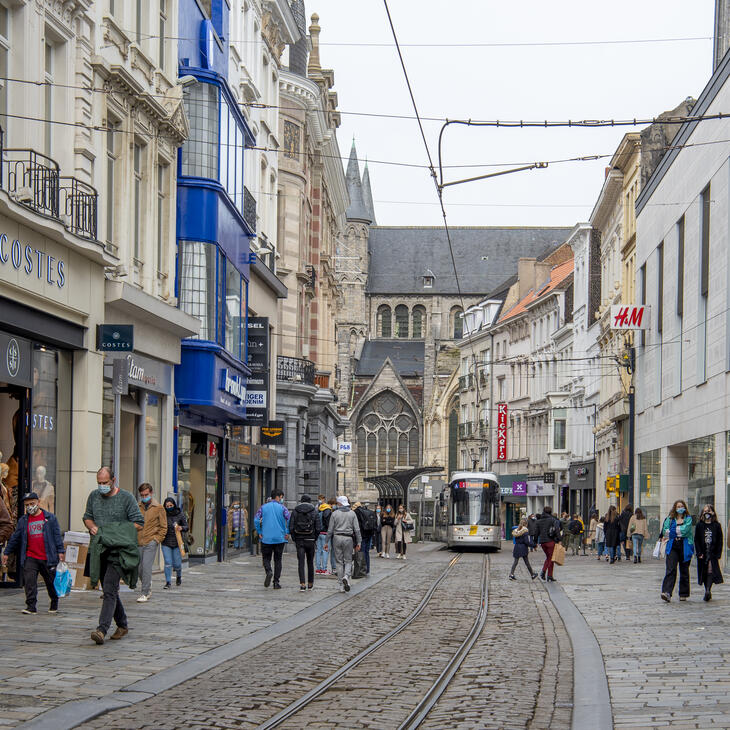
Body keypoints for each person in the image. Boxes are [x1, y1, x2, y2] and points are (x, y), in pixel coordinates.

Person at [84, 467, 144, 645]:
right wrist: (92, 526)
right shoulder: (94, 496)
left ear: (113, 480)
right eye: (99, 483)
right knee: (109, 590)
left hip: (119, 551)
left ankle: (101, 629)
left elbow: (138, 522)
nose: (102, 486)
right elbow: (87, 517)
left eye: (105, 483)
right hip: (99, 550)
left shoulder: (126, 498)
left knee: (109, 587)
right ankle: (123, 625)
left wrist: (116, 532)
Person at [2, 492, 65, 614]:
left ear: (38, 502)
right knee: (30, 582)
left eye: (32, 504)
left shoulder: (50, 518)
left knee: (50, 582)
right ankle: (31, 606)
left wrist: (60, 551)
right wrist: (7, 552)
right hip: (31, 556)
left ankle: (54, 602)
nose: (30, 507)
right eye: (27, 505)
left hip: (47, 556)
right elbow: (15, 537)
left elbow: (57, 535)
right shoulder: (23, 521)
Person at [136, 483, 167, 603]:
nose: (144, 497)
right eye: (142, 495)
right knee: (139, 568)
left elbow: (164, 527)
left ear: (151, 493)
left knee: (146, 567)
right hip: (139, 541)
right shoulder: (137, 506)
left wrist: (156, 540)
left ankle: (145, 592)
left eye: (146, 494)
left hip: (151, 541)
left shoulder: (158, 507)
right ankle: (147, 583)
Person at [254, 489, 290, 589]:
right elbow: (290, 519)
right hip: (280, 538)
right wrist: (287, 532)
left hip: (266, 538)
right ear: (278, 497)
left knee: (266, 558)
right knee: (278, 560)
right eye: (282, 497)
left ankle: (269, 571)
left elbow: (256, 519)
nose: (282, 499)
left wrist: (260, 531)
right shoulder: (283, 508)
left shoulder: (263, 507)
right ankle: (276, 582)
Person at [660, 499, 694, 603]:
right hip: (672, 546)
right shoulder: (670, 519)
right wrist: (674, 533)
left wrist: (673, 532)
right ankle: (667, 592)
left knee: (684, 570)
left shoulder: (688, 519)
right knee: (671, 569)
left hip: (685, 546)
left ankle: (683, 593)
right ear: (675, 508)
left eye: (681, 506)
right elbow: (666, 532)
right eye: (678, 506)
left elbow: (686, 531)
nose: (680, 508)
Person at [326, 495, 361, 593]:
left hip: (337, 537)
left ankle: (341, 585)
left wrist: (326, 541)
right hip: (348, 538)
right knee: (348, 560)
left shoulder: (335, 514)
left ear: (339, 503)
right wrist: (359, 542)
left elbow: (330, 530)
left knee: (339, 562)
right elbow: (357, 530)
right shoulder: (352, 513)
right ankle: (346, 576)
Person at [289, 495, 321, 592]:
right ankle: (310, 584)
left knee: (301, 562)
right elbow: (318, 527)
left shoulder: (295, 511)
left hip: (299, 539)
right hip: (310, 539)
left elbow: (291, 526)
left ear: (301, 501)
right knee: (310, 562)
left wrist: (295, 538)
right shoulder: (314, 511)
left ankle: (302, 584)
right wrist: (314, 538)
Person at [696, 504, 723, 601]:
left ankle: (708, 590)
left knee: (711, 570)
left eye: (709, 511)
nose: (707, 513)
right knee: (704, 571)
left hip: (712, 553)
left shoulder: (716, 525)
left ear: (713, 512)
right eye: (705, 511)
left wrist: (718, 553)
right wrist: (699, 552)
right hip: (703, 552)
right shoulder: (700, 525)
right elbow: (697, 540)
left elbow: (720, 540)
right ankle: (706, 589)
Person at [161, 497, 188, 589]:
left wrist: (181, 528)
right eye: (167, 506)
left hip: (177, 542)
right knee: (168, 562)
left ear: (174, 505)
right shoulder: (163, 514)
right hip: (166, 542)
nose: (169, 507)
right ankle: (168, 582)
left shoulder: (180, 514)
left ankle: (178, 576)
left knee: (177, 564)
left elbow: (186, 526)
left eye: (171, 505)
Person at [535, 506, 561, 582]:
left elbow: (536, 533)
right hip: (550, 541)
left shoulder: (539, 521)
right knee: (550, 558)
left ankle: (550, 575)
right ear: (550, 512)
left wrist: (535, 542)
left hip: (542, 542)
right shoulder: (553, 520)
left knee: (549, 558)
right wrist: (560, 539)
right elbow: (557, 530)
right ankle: (543, 571)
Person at [354, 501, 377, 574]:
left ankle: (361, 569)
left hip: (362, 534)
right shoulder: (368, 511)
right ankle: (367, 569)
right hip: (369, 534)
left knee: (361, 552)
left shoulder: (357, 512)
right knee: (366, 552)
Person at [316, 496, 332, 574]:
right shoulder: (328, 510)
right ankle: (324, 569)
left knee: (318, 551)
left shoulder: (318, 509)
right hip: (325, 533)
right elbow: (328, 523)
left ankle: (318, 569)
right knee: (325, 551)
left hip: (318, 533)